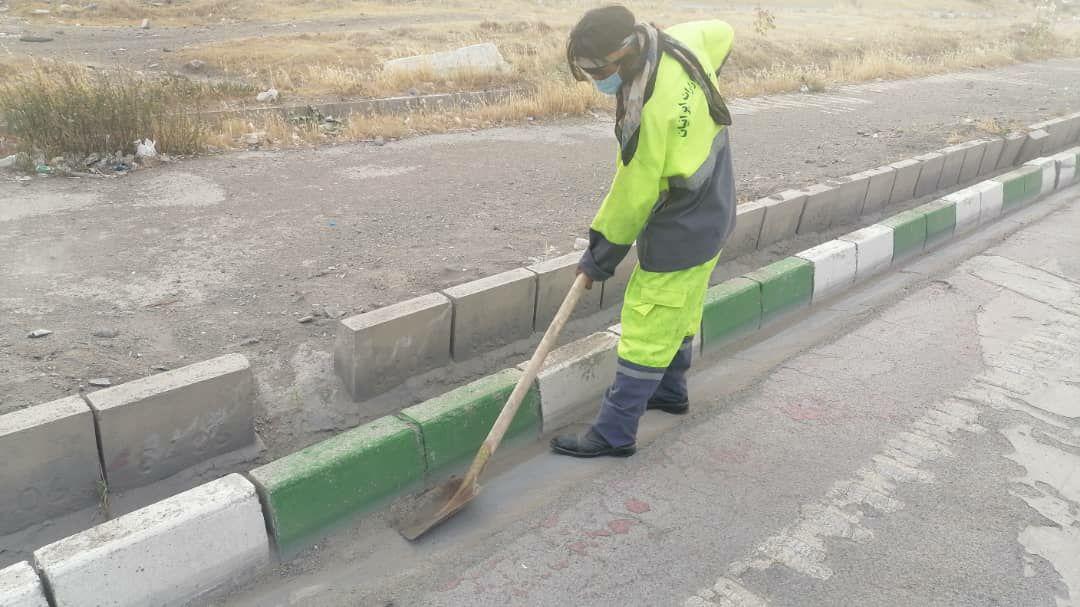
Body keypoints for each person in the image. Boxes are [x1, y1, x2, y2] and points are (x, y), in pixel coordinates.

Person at [551, 6, 737, 458]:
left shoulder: (648, 113)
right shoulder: (680, 43)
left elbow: (631, 197)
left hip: (684, 223)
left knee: (647, 320)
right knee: (682, 308)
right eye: (586, 71)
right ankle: (670, 391)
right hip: (717, 206)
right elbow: (723, 32)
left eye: (599, 70)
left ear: (626, 51)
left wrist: (599, 257)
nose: (596, 81)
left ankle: (614, 432)